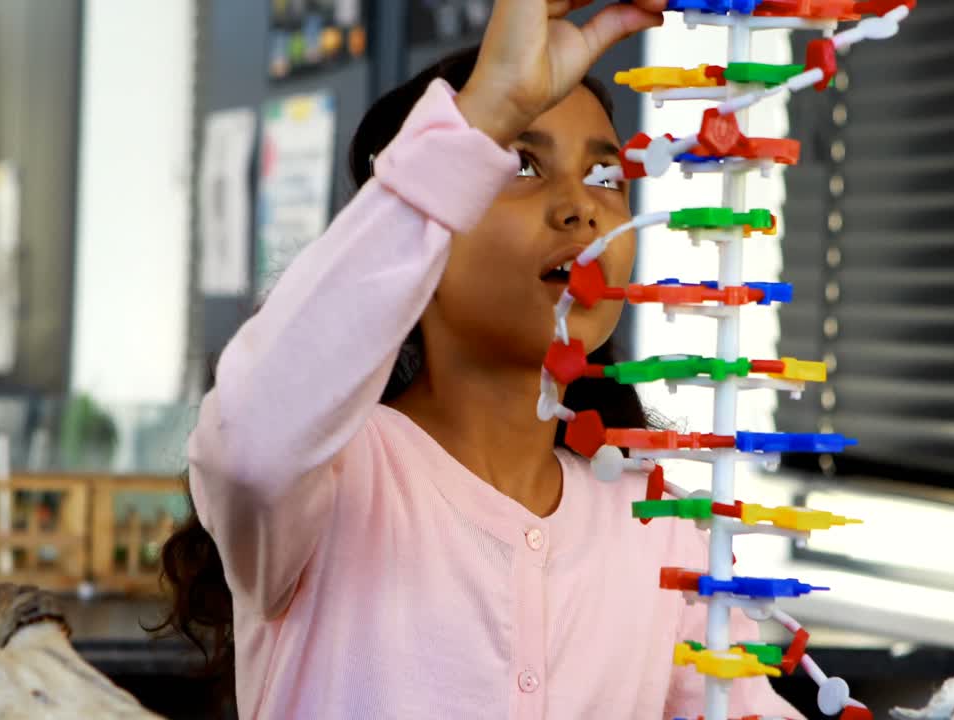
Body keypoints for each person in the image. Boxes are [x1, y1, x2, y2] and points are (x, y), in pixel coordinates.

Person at [157, 1, 802, 717]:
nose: (580, 209)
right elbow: (249, 442)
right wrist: (485, 110)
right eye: (521, 164)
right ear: (426, 234)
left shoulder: (662, 527)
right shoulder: (334, 479)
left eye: (606, 176)